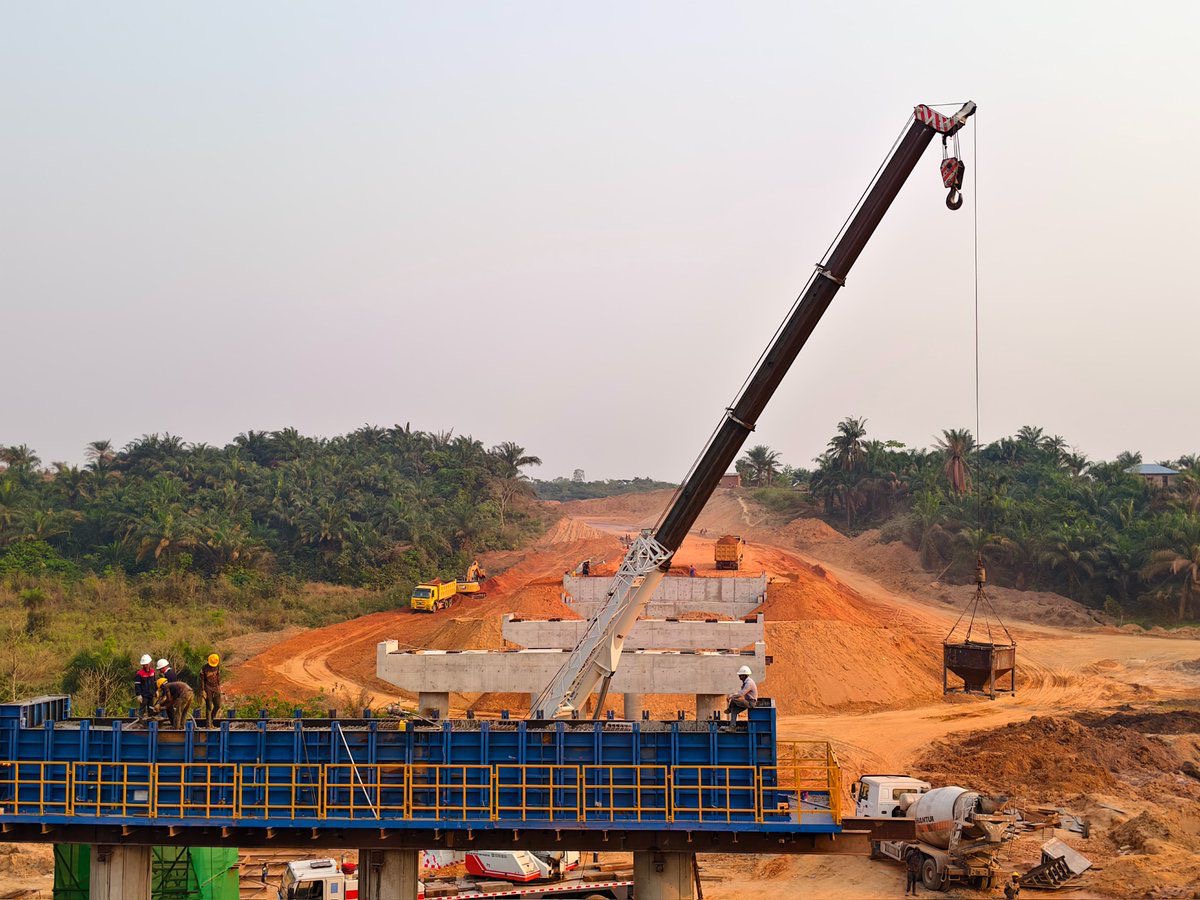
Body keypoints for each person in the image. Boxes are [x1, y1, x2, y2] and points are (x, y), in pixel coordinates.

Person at [199, 653, 222, 727]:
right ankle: (208, 725)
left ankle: (211, 719)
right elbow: (202, 680)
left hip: (216, 688)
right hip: (207, 688)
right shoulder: (204, 668)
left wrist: (219, 688)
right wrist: (203, 690)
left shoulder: (217, 667)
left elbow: (218, 677)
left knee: (218, 705)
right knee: (209, 706)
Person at [134, 654, 156, 719]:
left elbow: (154, 682)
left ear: (149, 663)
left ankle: (151, 722)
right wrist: (138, 695)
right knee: (142, 709)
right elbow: (137, 685)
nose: (145, 666)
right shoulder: (139, 674)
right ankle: (139, 721)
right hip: (144, 695)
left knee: (151, 709)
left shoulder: (152, 672)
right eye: (144, 665)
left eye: (146, 664)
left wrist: (156, 690)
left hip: (151, 694)